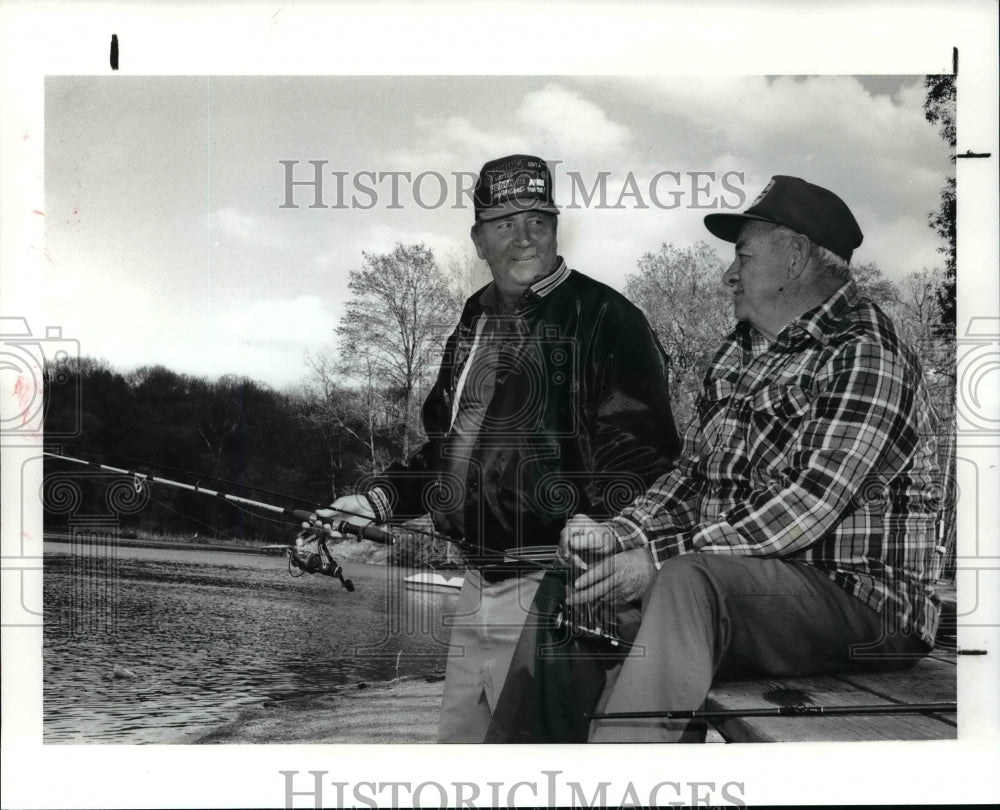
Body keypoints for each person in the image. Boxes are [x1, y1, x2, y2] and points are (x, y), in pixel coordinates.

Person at [561, 175, 944, 742]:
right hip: (757, 590)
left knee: (687, 582)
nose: (727, 275)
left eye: (742, 255)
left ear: (794, 258)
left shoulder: (866, 353)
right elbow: (693, 475)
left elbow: (810, 501)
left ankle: (622, 778)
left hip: (868, 608)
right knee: (574, 601)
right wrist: (617, 534)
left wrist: (657, 557)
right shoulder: (739, 351)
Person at [315, 154, 681, 742]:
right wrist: (376, 500)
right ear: (478, 238)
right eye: (505, 223)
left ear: (557, 225)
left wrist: (599, 520)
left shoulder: (608, 317)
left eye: (537, 219)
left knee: (537, 768)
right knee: (466, 760)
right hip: (474, 586)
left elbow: (642, 455)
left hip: (557, 588)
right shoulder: (474, 319)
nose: (524, 237)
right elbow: (445, 451)